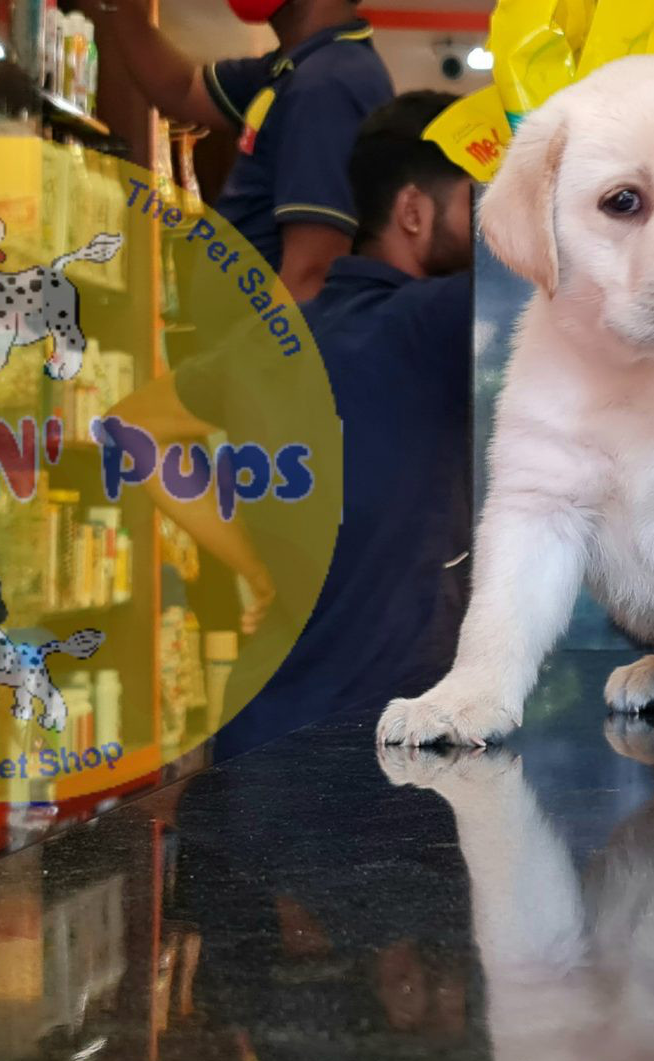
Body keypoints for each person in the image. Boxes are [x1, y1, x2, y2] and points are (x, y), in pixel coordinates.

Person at [133, 91, 476, 760]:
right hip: (378, 754)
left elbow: (133, 430)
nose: (490, 228)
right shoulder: (429, 322)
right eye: (475, 204)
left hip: (262, 734)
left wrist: (257, 566)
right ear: (413, 211)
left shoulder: (280, 339)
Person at [85, 0, 391, 302]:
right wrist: (121, 8)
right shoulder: (294, 68)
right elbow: (182, 89)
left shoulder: (327, 83)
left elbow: (311, 273)